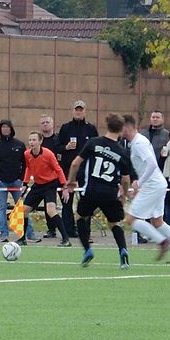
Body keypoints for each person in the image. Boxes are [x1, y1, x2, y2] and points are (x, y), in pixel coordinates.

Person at [62, 114, 136, 268]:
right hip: (110, 193)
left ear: (107, 126)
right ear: (121, 130)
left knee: (80, 217)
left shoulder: (93, 143)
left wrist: (71, 181)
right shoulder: (122, 152)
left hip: (91, 191)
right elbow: (125, 179)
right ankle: (123, 251)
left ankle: (87, 250)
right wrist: (123, 194)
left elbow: (75, 163)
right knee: (114, 223)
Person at [121, 114, 170, 263]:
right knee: (157, 221)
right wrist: (139, 183)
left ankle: (162, 242)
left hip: (153, 185)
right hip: (156, 184)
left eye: (121, 127)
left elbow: (152, 164)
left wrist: (140, 183)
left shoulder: (138, 143)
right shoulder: (138, 141)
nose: (120, 131)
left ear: (127, 127)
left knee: (131, 219)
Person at [0, 119, 36, 244]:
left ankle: (29, 234)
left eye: (7, 127)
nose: (5, 129)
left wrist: (21, 178)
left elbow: (26, 164)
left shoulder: (19, 145)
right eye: (3, 127)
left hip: (16, 182)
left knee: (22, 208)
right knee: (1, 207)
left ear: (11, 129)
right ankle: (3, 235)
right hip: (1, 183)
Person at [19, 132, 71, 247]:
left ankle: (66, 239)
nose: (31, 142)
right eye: (30, 140)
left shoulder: (48, 154)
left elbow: (58, 170)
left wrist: (64, 186)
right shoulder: (27, 154)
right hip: (38, 185)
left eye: (34, 140)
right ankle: (22, 239)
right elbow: (28, 168)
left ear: (40, 141)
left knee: (51, 211)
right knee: (24, 210)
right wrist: (25, 183)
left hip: (50, 185)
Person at [57, 100, 99, 239]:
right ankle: (68, 231)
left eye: (81, 110)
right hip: (69, 170)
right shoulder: (66, 128)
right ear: (73, 111)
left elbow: (97, 148)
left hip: (85, 170)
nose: (78, 112)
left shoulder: (90, 129)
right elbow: (57, 147)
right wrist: (66, 147)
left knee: (86, 200)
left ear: (85, 111)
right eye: (76, 109)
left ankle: (85, 232)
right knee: (67, 201)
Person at [39, 114, 63, 239]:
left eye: (47, 122)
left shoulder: (58, 139)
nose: (45, 124)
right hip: (46, 178)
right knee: (48, 205)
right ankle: (51, 229)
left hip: (60, 175)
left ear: (52, 124)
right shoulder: (39, 141)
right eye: (42, 122)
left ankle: (69, 228)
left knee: (66, 202)